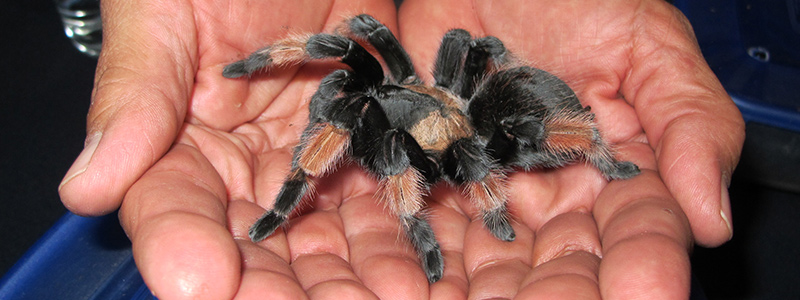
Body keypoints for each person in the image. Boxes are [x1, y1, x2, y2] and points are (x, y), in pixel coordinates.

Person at [58, 0, 744, 299]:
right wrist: (256, 62)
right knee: (359, 35)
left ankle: (593, 153)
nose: (354, 106)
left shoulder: (393, 130)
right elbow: (380, 38)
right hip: (464, 105)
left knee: (492, 139)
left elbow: (445, 139)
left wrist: (459, 221)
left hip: (498, 120)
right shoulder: (400, 84)